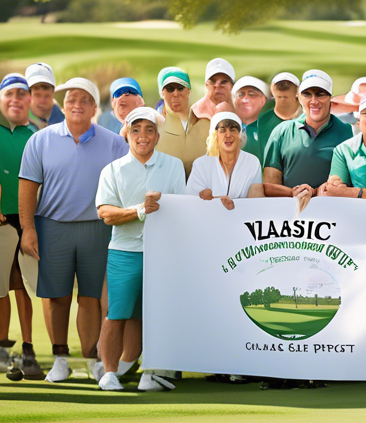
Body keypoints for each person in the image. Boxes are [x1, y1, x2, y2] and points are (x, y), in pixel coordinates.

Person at [19, 77, 128, 383]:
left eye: (84, 100)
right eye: (70, 100)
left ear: (95, 107)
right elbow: (28, 187)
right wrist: (28, 228)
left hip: (97, 228)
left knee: (91, 298)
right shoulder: (40, 140)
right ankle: (60, 358)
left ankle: (92, 357)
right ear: (62, 105)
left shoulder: (114, 142)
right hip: (52, 227)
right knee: (57, 297)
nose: (76, 105)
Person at [96, 107, 187, 391]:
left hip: (163, 253)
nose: (142, 136)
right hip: (124, 251)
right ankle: (109, 373)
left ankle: (153, 371)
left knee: (159, 313)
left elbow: (181, 209)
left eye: (149, 130)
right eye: (136, 130)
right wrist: (140, 210)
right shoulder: (112, 170)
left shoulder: (173, 165)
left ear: (158, 136)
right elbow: (106, 213)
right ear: (126, 134)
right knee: (117, 313)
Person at [0, 73, 44, 381]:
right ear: (0, 100)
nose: (16, 99)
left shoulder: (38, 136)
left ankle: (29, 350)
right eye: (10, 94)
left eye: (22, 94)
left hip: (29, 222)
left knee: (25, 289)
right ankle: (1, 349)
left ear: (29, 100)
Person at [262, 69, 352, 198]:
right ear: (299, 98)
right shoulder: (281, 131)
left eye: (320, 94)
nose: (314, 101)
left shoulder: (348, 132)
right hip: (290, 212)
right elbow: (270, 183)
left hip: (333, 211)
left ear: (330, 99)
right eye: (307, 95)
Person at [187, 111, 265, 204]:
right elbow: (191, 201)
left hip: (243, 217)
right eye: (222, 130)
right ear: (215, 136)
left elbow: (256, 201)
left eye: (233, 130)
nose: (228, 135)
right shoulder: (201, 164)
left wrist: (215, 199)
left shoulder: (252, 162)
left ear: (240, 136)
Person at [155, 66, 210, 178]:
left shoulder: (206, 125)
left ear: (188, 91)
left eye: (180, 88)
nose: (175, 93)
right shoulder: (155, 129)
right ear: (162, 93)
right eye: (170, 89)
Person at [250, 73, 301, 167]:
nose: (282, 101)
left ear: (297, 92)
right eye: (279, 97)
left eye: (286, 97)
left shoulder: (307, 117)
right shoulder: (264, 121)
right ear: (272, 91)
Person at [233, 76, 270, 161]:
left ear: (263, 100)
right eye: (240, 95)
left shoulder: (271, 130)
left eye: (251, 95)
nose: (245, 99)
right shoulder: (224, 127)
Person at [25, 62, 65, 129]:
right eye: (37, 95)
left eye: (47, 96)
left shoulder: (60, 119)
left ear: (53, 94)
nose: (42, 101)